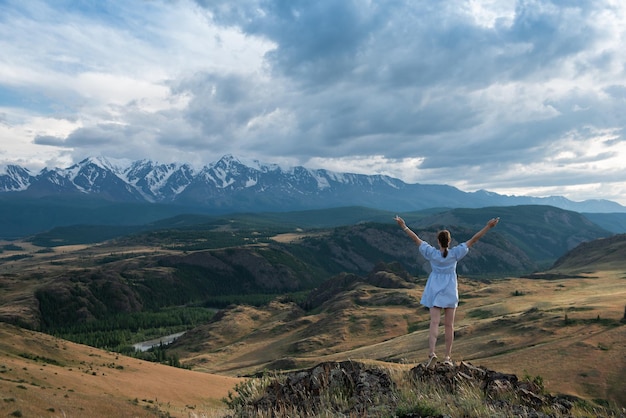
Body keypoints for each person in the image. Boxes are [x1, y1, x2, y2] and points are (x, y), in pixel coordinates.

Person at [394, 215, 500, 366]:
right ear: (449, 241)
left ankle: (431, 353)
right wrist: (488, 226)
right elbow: (474, 240)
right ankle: (447, 357)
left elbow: (415, 239)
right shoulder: (455, 253)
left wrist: (403, 226)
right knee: (449, 326)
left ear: (438, 241)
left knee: (434, 323)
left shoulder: (432, 253)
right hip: (450, 290)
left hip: (434, 289)